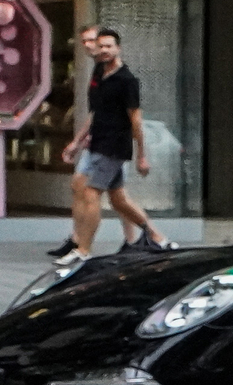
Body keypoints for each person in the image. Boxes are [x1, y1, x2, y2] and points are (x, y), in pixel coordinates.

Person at [55, 27, 172, 262]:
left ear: (118, 48)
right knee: (119, 199)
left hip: (115, 146)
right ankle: (159, 239)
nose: (105, 50)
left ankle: (83, 251)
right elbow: (95, 112)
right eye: (101, 46)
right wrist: (78, 142)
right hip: (97, 143)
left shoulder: (127, 80)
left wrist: (142, 155)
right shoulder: (99, 72)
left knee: (90, 193)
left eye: (110, 46)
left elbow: (135, 120)